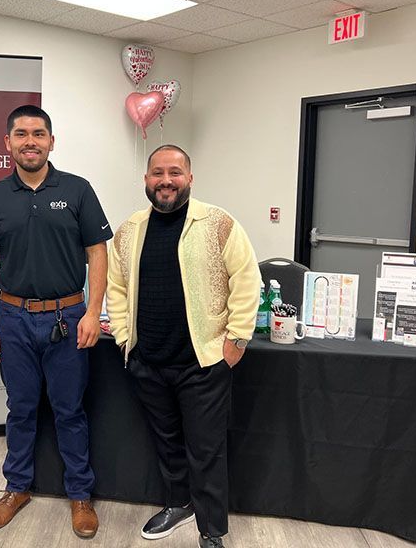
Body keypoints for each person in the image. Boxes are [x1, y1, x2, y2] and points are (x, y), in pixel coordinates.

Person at [106, 144, 260, 548]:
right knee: (167, 442)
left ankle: (211, 531)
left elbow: (247, 281)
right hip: (148, 360)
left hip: (203, 362)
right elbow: (116, 287)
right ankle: (178, 504)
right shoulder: (130, 229)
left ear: (189, 178)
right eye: (157, 173)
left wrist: (237, 341)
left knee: (206, 451)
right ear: (146, 180)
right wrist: (125, 339)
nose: (166, 181)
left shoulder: (218, 223)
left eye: (175, 172)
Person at [0, 105, 112, 539]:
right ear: (7, 143)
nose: (29, 141)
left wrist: (92, 311)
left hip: (68, 317)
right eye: (21, 134)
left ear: (52, 141)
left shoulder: (77, 190)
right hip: (12, 318)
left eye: (38, 133)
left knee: (70, 410)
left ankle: (80, 495)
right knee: (21, 408)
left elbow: (97, 252)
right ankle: (17, 488)